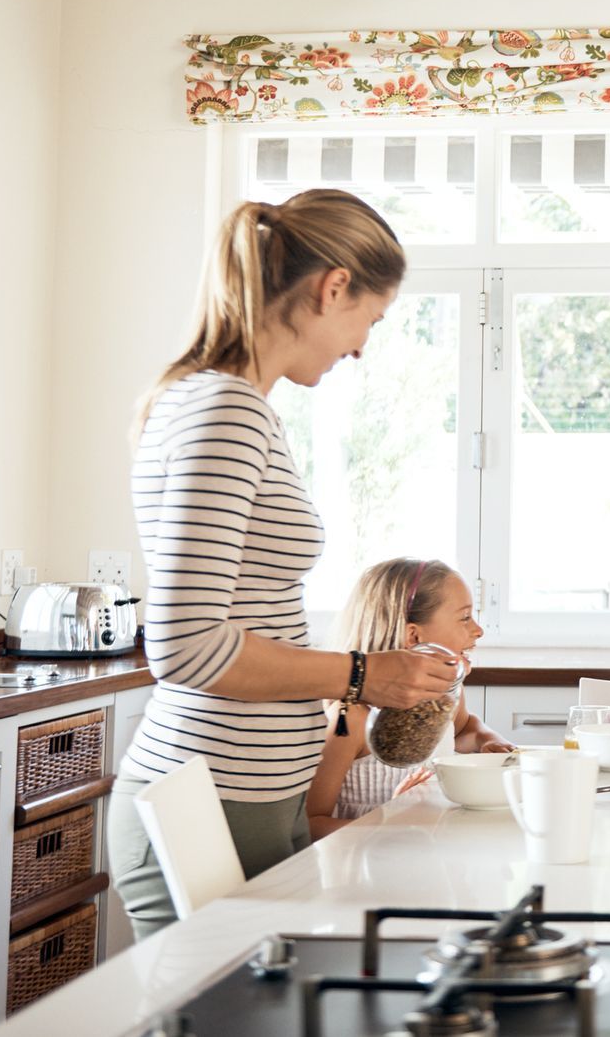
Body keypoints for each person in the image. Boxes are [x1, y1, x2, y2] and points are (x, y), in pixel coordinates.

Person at [107, 189, 463, 940]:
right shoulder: (227, 410)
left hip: (245, 794)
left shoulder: (218, 404)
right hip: (213, 797)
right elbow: (184, 645)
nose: (362, 345)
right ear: (333, 287)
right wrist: (361, 674)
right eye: (370, 318)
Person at [306, 558, 514, 838]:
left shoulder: (445, 697)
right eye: (465, 617)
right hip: (360, 870)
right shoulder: (351, 719)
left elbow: (463, 730)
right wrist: (390, 821)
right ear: (414, 636)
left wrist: (486, 739)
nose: (478, 630)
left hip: (421, 852)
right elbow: (309, 826)